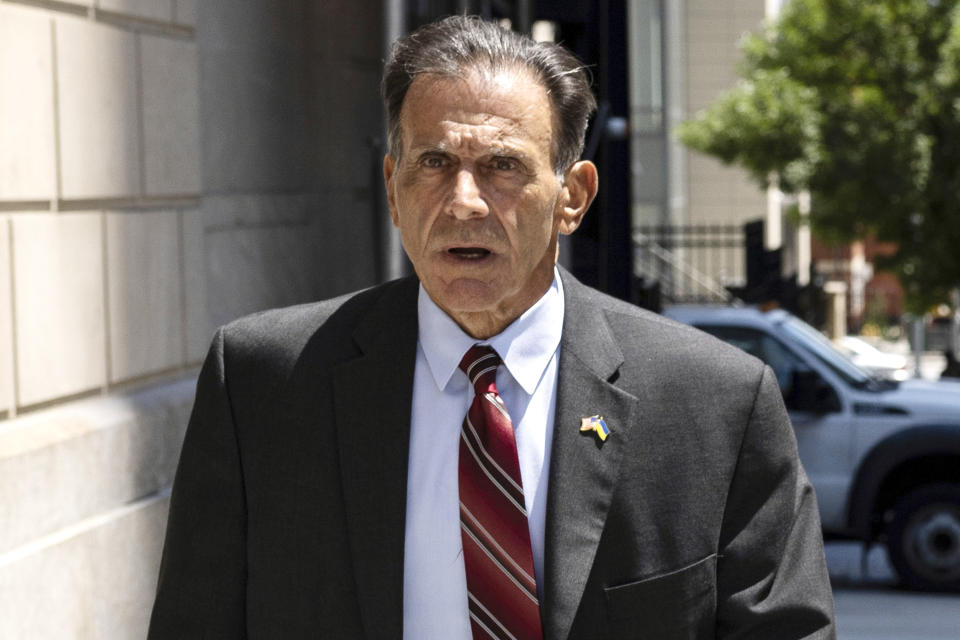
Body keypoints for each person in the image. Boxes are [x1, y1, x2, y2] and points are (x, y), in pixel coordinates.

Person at [148, 15, 835, 639]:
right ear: (392, 189)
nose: (464, 201)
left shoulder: (715, 406)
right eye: (435, 164)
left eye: (503, 166)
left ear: (574, 196)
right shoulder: (264, 386)